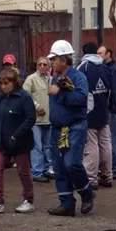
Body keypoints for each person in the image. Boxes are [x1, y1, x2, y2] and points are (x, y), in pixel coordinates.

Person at [45, 40, 95, 217]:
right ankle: (66, 204)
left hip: (75, 127)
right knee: (59, 167)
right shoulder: (54, 78)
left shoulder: (78, 77)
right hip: (57, 129)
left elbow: (81, 99)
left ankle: (87, 193)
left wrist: (61, 93)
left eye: (54, 59)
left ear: (63, 60)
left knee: (71, 163)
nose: (51, 62)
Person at [0, 68, 37, 215]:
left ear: (14, 82)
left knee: (23, 171)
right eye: (1, 84)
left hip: (20, 142)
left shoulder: (24, 97)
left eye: (7, 83)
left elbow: (30, 118)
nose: (4, 86)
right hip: (1, 142)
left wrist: (16, 135)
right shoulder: (1, 97)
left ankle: (28, 200)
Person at [78, 42, 113, 189]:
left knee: (90, 146)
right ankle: (108, 175)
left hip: (89, 114)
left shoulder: (83, 68)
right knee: (105, 144)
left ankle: (91, 179)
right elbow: (111, 90)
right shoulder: (105, 67)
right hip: (104, 112)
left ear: (84, 52)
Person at [23, 56, 55, 182]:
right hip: (36, 119)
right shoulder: (31, 79)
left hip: (49, 118)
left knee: (48, 146)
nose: (42, 66)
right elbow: (25, 96)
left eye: (45, 64)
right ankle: (37, 171)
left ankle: (47, 169)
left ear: (48, 66)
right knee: (37, 146)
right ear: (36, 66)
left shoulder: (51, 80)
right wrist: (36, 106)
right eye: (40, 64)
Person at [97, 45, 116, 179]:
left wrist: (112, 106)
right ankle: (108, 167)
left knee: (112, 139)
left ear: (108, 54)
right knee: (105, 140)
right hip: (105, 110)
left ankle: (115, 167)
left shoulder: (115, 70)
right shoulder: (104, 69)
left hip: (111, 110)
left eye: (100, 53)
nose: (98, 56)